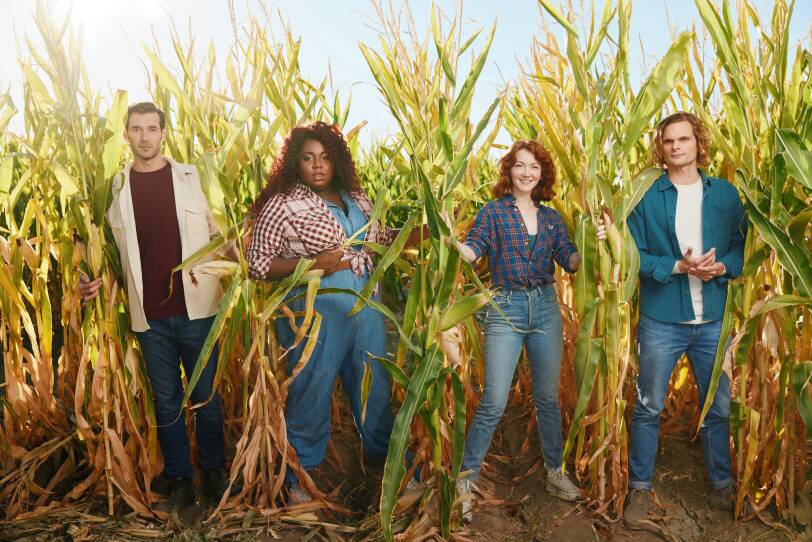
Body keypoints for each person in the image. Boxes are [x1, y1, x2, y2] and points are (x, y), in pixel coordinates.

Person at [247, 121, 414, 504]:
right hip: (316, 317)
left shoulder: (358, 198)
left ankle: (386, 465)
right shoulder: (282, 203)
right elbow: (256, 264)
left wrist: (422, 234)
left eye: (325, 157)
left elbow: (382, 241)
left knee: (374, 388)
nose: (317, 165)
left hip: (367, 311)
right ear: (295, 162)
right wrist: (310, 264)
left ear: (337, 161)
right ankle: (298, 481)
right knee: (310, 393)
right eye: (308, 158)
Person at [79, 102, 229, 511]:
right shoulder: (113, 190)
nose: (144, 136)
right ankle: (180, 476)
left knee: (206, 396)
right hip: (149, 317)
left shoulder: (194, 178)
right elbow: (106, 253)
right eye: (136, 129)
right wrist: (90, 279)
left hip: (199, 308)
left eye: (151, 128)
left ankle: (214, 471)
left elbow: (223, 233)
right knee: (167, 402)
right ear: (125, 135)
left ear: (164, 133)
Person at [599, 111, 746, 529]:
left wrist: (723, 268)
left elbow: (740, 246)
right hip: (662, 319)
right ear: (661, 148)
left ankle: (721, 484)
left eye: (685, 139)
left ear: (699, 143)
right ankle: (640, 488)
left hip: (713, 319)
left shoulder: (726, 195)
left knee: (717, 408)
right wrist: (676, 268)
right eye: (669, 141)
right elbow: (631, 255)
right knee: (647, 407)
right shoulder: (646, 196)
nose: (677, 146)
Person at [451, 140, 583, 521]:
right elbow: (474, 251)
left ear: (543, 174)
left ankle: (555, 474)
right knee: (494, 399)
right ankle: (465, 480)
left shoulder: (553, 218)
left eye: (535, 167)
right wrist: (452, 240)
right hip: (505, 308)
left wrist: (595, 244)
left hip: (544, 308)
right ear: (509, 171)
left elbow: (570, 260)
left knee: (546, 398)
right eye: (520, 165)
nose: (527, 172)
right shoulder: (493, 212)